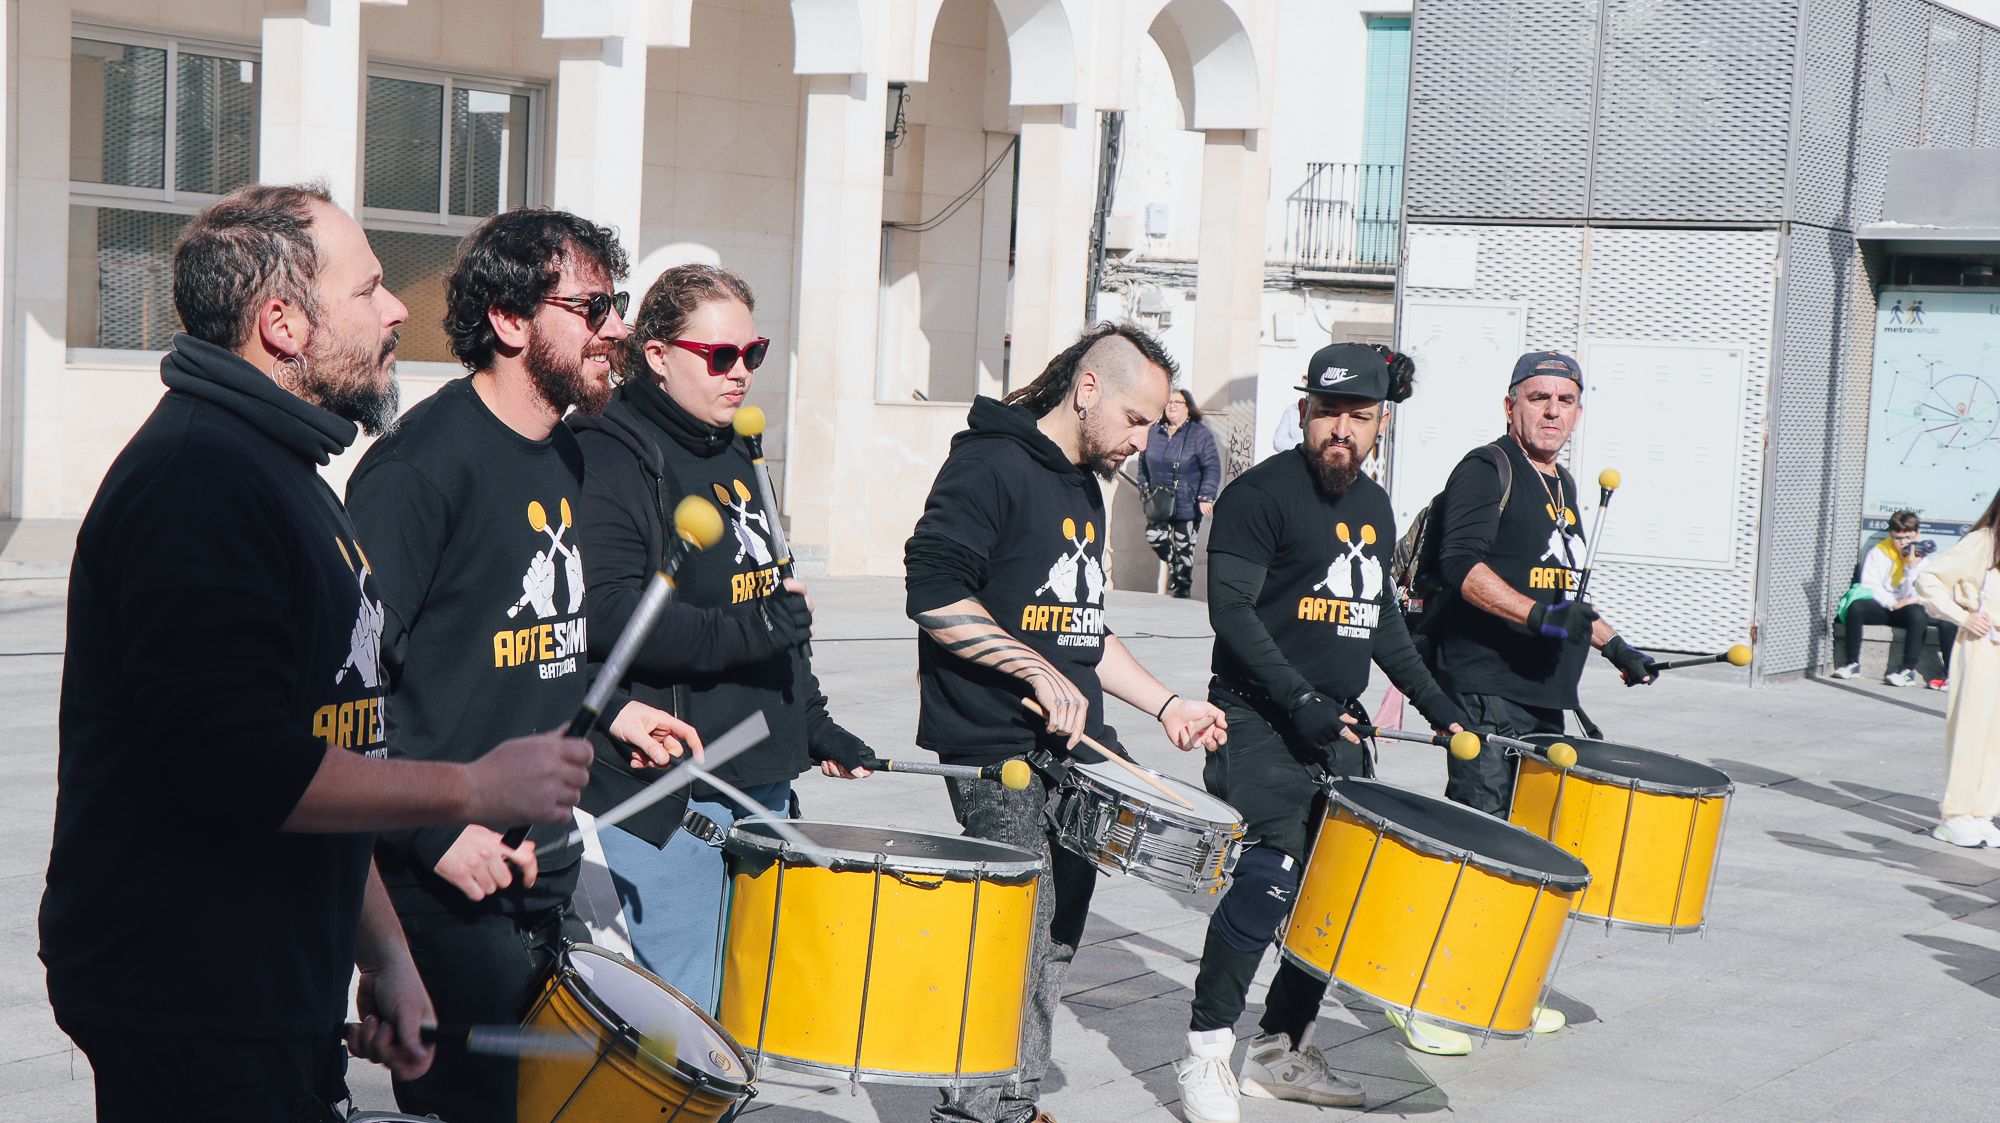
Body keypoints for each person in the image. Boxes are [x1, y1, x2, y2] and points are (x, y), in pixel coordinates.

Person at [39, 182, 593, 1122]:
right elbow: (242, 766)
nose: (399, 309)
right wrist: (470, 787)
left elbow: (341, 744)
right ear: (284, 322)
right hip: (192, 996)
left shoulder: (285, 468)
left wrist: (382, 954)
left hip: (275, 984)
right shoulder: (199, 483)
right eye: (369, 289)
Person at [346, 208, 699, 1121]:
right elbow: (351, 696)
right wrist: (432, 837)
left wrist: (613, 711)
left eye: (614, 304)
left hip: (541, 864)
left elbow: (533, 638)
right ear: (509, 320)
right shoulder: (416, 473)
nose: (616, 328)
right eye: (593, 307)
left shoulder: (570, 459)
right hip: (444, 881)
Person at [905, 322, 1230, 1123]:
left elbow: (1082, 629)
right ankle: (975, 1110)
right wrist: (1030, 666)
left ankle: (1012, 1096)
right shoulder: (987, 462)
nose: (1145, 440)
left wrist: (1166, 704)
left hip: (1076, 749)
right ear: (1087, 389)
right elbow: (933, 588)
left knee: (1056, 929)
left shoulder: (1086, 482)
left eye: (1156, 423)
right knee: (1013, 926)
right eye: (1135, 418)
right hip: (995, 745)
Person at [1173, 343, 1471, 1123]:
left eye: (1359, 416)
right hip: (1255, 716)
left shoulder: (1373, 508)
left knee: (1334, 889)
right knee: (1271, 873)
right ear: (1305, 411)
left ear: (1380, 424)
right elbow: (1231, 611)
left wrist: (1444, 711)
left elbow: (1384, 631)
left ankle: (1278, 1050)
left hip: (1332, 724)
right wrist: (1298, 697)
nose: (1341, 428)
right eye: (1328, 411)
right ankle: (1206, 1053)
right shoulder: (1257, 497)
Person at [571, 262, 875, 1010]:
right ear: (656, 354)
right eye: (721, 356)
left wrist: (813, 720)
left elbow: (779, 603)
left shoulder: (739, 447)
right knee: (685, 1012)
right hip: (673, 784)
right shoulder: (611, 449)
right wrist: (750, 631)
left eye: (754, 352)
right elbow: (608, 613)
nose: (741, 373)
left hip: (764, 772)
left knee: (751, 1007)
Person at [1414, 350, 1654, 1049]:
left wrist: (1615, 645)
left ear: (1580, 410)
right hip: (1485, 691)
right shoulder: (1486, 469)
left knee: (1525, 854)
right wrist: (1534, 618)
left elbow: (1563, 593)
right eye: (1538, 397)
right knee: (1475, 845)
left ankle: (1492, 989)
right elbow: (1462, 568)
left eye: (1566, 399)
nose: (1553, 410)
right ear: (1510, 405)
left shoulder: (1565, 482)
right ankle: (1425, 996)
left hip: (1542, 699)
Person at [1915, 493, 2000, 847]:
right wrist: (1964, 616)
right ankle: (1955, 814)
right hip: (1981, 645)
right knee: (1972, 728)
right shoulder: (1982, 541)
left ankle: (1980, 812)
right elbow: (1928, 579)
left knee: (1995, 735)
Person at [1834, 510, 1957, 688]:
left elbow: (1918, 591)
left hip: (1908, 608)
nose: (1902, 543)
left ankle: (1907, 670)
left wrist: (1911, 567)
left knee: (1917, 613)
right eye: (1897, 538)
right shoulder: (1879, 552)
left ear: (1917, 534)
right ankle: (1852, 663)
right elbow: (1870, 585)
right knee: (1857, 607)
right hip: (1885, 606)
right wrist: (1892, 603)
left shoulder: (1924, 559)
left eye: (1907, 538)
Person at [1138, 387, 1223, 597]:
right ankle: (1177, 566)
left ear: (1188, 408)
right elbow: (1142, 464)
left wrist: (1206, 496)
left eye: (1178, 402)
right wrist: (1144, 489)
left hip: (1188, 500)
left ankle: (1182, 587)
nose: (1172, 406)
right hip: (1159, 500)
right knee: (1155, 537)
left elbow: (1212, 467)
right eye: (1169, 402)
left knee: (1186, 546)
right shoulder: (1154, 431)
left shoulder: (1199, 434)